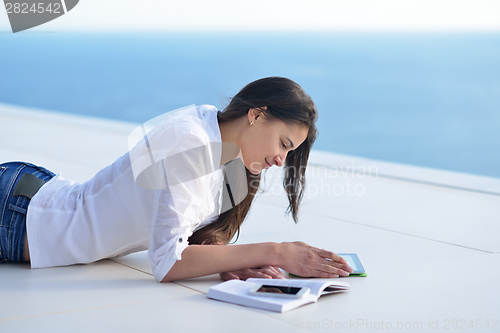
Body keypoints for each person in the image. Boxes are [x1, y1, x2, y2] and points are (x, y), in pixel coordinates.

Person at [0, 76, 353, 282]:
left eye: (290, 154)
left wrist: (233, 263)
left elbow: (188, 232)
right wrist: (277, 251)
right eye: (284, 144)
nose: (281, 159)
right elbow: (168, 262)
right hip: (20, 215)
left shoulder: (230, 154)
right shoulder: (191, 141)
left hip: (33, 197)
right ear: (256, 116)